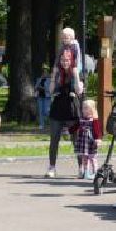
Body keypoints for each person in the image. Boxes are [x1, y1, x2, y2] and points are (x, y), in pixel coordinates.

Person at [44, 46, 83, 178]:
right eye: (62, 59)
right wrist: (54, 76)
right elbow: (50, 91)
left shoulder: (76, 72)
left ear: (71, 60)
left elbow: (79, 91)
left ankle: (81, 167)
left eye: (67, 59)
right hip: (58, 108)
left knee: (76, 140)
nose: (64, 62)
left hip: (72, 109)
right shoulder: (57, 72)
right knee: (54, 139)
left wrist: (76, 75)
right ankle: (52, 167)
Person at [73, 97, 101, 180]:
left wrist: (98, 139)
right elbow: (75, 126)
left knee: (93, 158)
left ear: (92, 109)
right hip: (83, 142)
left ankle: (95, 172)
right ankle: (86, 172)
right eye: (83, 108)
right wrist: (69, 130)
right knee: (84, 158)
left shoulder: (94, 120)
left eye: (86, 108)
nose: (84, 110)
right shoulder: (81, 119)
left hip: (91, 142)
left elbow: (97, 131)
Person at [33, 65, 53, 130]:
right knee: (40, 111)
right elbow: (35, 88)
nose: (44, 73)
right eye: (43, 72)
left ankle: (51, 122)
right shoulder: (39, 79)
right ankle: (41, 125)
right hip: (40, 97)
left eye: (45, 72)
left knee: (46, 111)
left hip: (47, 97)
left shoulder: (49, 80)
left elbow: (49, 89)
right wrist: (39, 84)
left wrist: (43, 88)